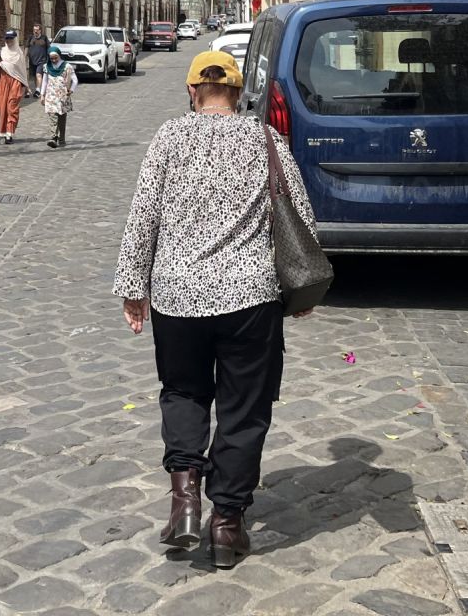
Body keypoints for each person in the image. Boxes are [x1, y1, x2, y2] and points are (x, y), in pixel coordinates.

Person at [113, 50, 317, 570]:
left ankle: (185, 501)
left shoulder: (168, 137)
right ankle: (226, 523)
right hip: (249, 297)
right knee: (244, 408)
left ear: (192, 92)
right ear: (238, 90)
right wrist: (301, 293)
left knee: (183, 391)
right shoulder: (266, 140)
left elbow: (143, 217)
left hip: (178, 296)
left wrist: (133, 288)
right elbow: (299, 215)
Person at [0, 29, 32, 144]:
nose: (9, 41)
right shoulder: (1, 51)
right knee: (1, 106)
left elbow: (22, 70)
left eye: (11, 39)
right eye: (7, 39)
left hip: (15, 82)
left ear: (15, 39)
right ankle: (4, 131)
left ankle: (9, 133)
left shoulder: (19, 53)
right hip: (2, 82)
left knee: (12, 107)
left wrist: (26, 85)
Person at [37, 44, 78, 148]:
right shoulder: (47, 67)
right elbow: (45, 81)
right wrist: (42, 95)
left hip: (63, 96)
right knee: (52, 116)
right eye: (51, 58)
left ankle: (62, 139)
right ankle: (53, 137)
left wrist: (71, 90)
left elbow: (75, 80)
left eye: (55, 58)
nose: (54, 60)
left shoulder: (67, 66)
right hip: (51, 96)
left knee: (61, 118)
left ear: (59, 56)